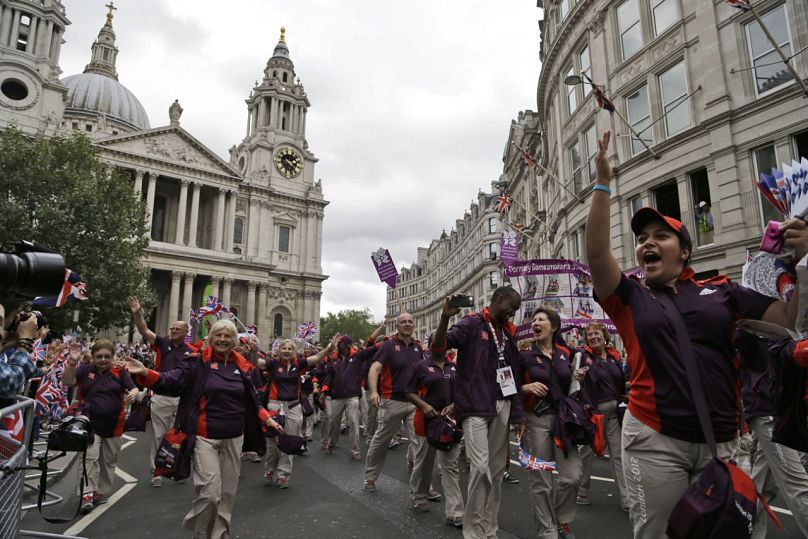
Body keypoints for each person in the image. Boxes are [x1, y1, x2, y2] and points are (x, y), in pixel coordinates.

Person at [585, 130, 808, 538]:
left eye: (660, 236)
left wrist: (804, 257)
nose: (647, 244)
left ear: (684, 251)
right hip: (654, 439)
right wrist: (602, 182)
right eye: (641, 240)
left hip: (721, 441)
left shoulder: (723, 290)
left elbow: (788, 320)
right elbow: (598, 255)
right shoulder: (630, 297)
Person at [124, 319, 283, 539]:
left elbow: (252, 400)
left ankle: (220, 534)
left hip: (234, 437)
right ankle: (200, 534)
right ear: (210, 339)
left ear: (234, 341)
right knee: (209, 494)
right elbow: (171, 381)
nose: (223, 339)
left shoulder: (243, 366)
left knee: (227, 494)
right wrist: (146, 373)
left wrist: (266, 418)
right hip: (204, 437)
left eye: (228, 336)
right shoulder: (196, 363)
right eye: (218, 335)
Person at [431, 287, 525, 539]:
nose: (512, 314)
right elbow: (438, 349)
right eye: (511, 307)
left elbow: (513, 376)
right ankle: (473, 531)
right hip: (474, 407)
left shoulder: (508, 333)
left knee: (495, 472)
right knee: (480, 468)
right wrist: (444, 318)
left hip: (502, 404)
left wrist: (518, 415)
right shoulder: (472, 323)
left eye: (515, 311)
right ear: (498, 299)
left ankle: (490, 527)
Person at [736, 331, 808, 539]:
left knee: (761, 487)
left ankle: (740, 532)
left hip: (785, 408)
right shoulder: (751, 309)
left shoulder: (791, 307)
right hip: (769, 409)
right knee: (797, 484)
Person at [520, 307, 582, 538]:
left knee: (572, 477)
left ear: (553, 326)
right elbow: (505, 384)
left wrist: (578, 377)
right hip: (536, 421)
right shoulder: (525, 355)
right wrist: (524, 387)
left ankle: (560, 519)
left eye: (541, 319)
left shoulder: (566, 353)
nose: (535, 322)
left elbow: (576, 381)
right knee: (541, 479)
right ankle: (547, 529)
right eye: (533, 320)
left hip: (564, 423)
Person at [62, 339, 139, 512]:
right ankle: (87, 493)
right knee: (89, 457)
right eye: (99, 356)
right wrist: (72, 362)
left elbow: (134, 388)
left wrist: (132, 395)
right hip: (90, 422)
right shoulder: (84, 369)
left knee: (109, 460)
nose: (103, 360)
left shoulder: (120, 372)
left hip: (114, 424)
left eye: (107, 356)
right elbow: (68, 381)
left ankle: (101, 491)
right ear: (93, 357)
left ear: (113, 357)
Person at [128, 296, 195, 487]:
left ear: (185, 332)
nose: (172, 331)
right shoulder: (163, 344)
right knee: (159, 436)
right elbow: (144, 330)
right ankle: (156, 471)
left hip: (182, 400)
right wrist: (137, 313)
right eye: (172, 329)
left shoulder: (191, 352)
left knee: (181, 437)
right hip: (162, 398)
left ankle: (178, 468)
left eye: (177, 329)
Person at [263, 337, 334, 488]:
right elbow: (257, 363)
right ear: (279, 350)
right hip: (275, 405)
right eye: (284, 348)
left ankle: (283, 475)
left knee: (289, 441)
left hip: (294, 406)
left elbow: (315, 358)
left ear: (294, 352)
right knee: (273, 442)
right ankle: (270, 469)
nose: (286, 351)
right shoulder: (273, 364)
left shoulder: (299, 364)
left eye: (290, 349)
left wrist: (328, 349)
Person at [406, 343, 465, 526]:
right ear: (431, 346)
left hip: (450, 423)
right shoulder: (420, 366)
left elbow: (463, 391)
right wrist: (424, 406)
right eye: (435, 342)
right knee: (424, 462)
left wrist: (454, 405)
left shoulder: (455, 366)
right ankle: (418, 496)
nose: (440, 345)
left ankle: (455, 512)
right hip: (426, 421)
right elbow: (409, 392)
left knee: (450, 466)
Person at [364, 313, 422, 492]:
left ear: (414, 325)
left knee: (419, 442)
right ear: (396, 326)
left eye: (410, 322)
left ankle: (420, 482)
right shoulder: (388, 345)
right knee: (381, 441)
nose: (407, 324)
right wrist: (374, 392)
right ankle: (370, 477)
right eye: (403, 322)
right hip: (391, 401)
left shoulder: (418, 347)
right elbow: (375, 368)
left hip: (414, 402)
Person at [574, 322, 628, 511]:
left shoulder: (614, 355)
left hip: (614, 414)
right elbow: (574, 381)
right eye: (590, 335)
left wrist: (624, 399)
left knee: (619, 455)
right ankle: (582, 492)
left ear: (604, 335)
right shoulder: (582, 356)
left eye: (597, 333)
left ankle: (626, 498)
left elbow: (622, 382)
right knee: (586, 455)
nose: (594, 337)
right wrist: (577, 377)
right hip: (592, 414)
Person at [321, 335, 364, 460]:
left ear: (347, 345)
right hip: (337, 396)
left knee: (354, 422)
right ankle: (331, 442)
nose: (339, 345)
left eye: (341, 343)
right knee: (333, 422)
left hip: (352, 395)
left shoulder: (356, 357)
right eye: (339, 344)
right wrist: (324, 391)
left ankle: (355, 450)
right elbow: (328, 375)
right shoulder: (333, 359)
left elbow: (369, 350)